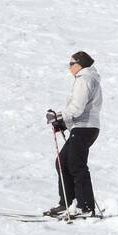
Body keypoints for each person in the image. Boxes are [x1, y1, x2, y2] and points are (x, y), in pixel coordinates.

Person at [44, 51, 103, 217]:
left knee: (76, 165)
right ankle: (68, 203)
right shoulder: (86, 78)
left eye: (71, 64)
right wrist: (63, 123)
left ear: (80, 64)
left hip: (85, 127)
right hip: (82, 127)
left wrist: (58, 116)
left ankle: (85, 206)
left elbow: (77, 107)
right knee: (62, 162)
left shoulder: (84, 79)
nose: (69, 67)